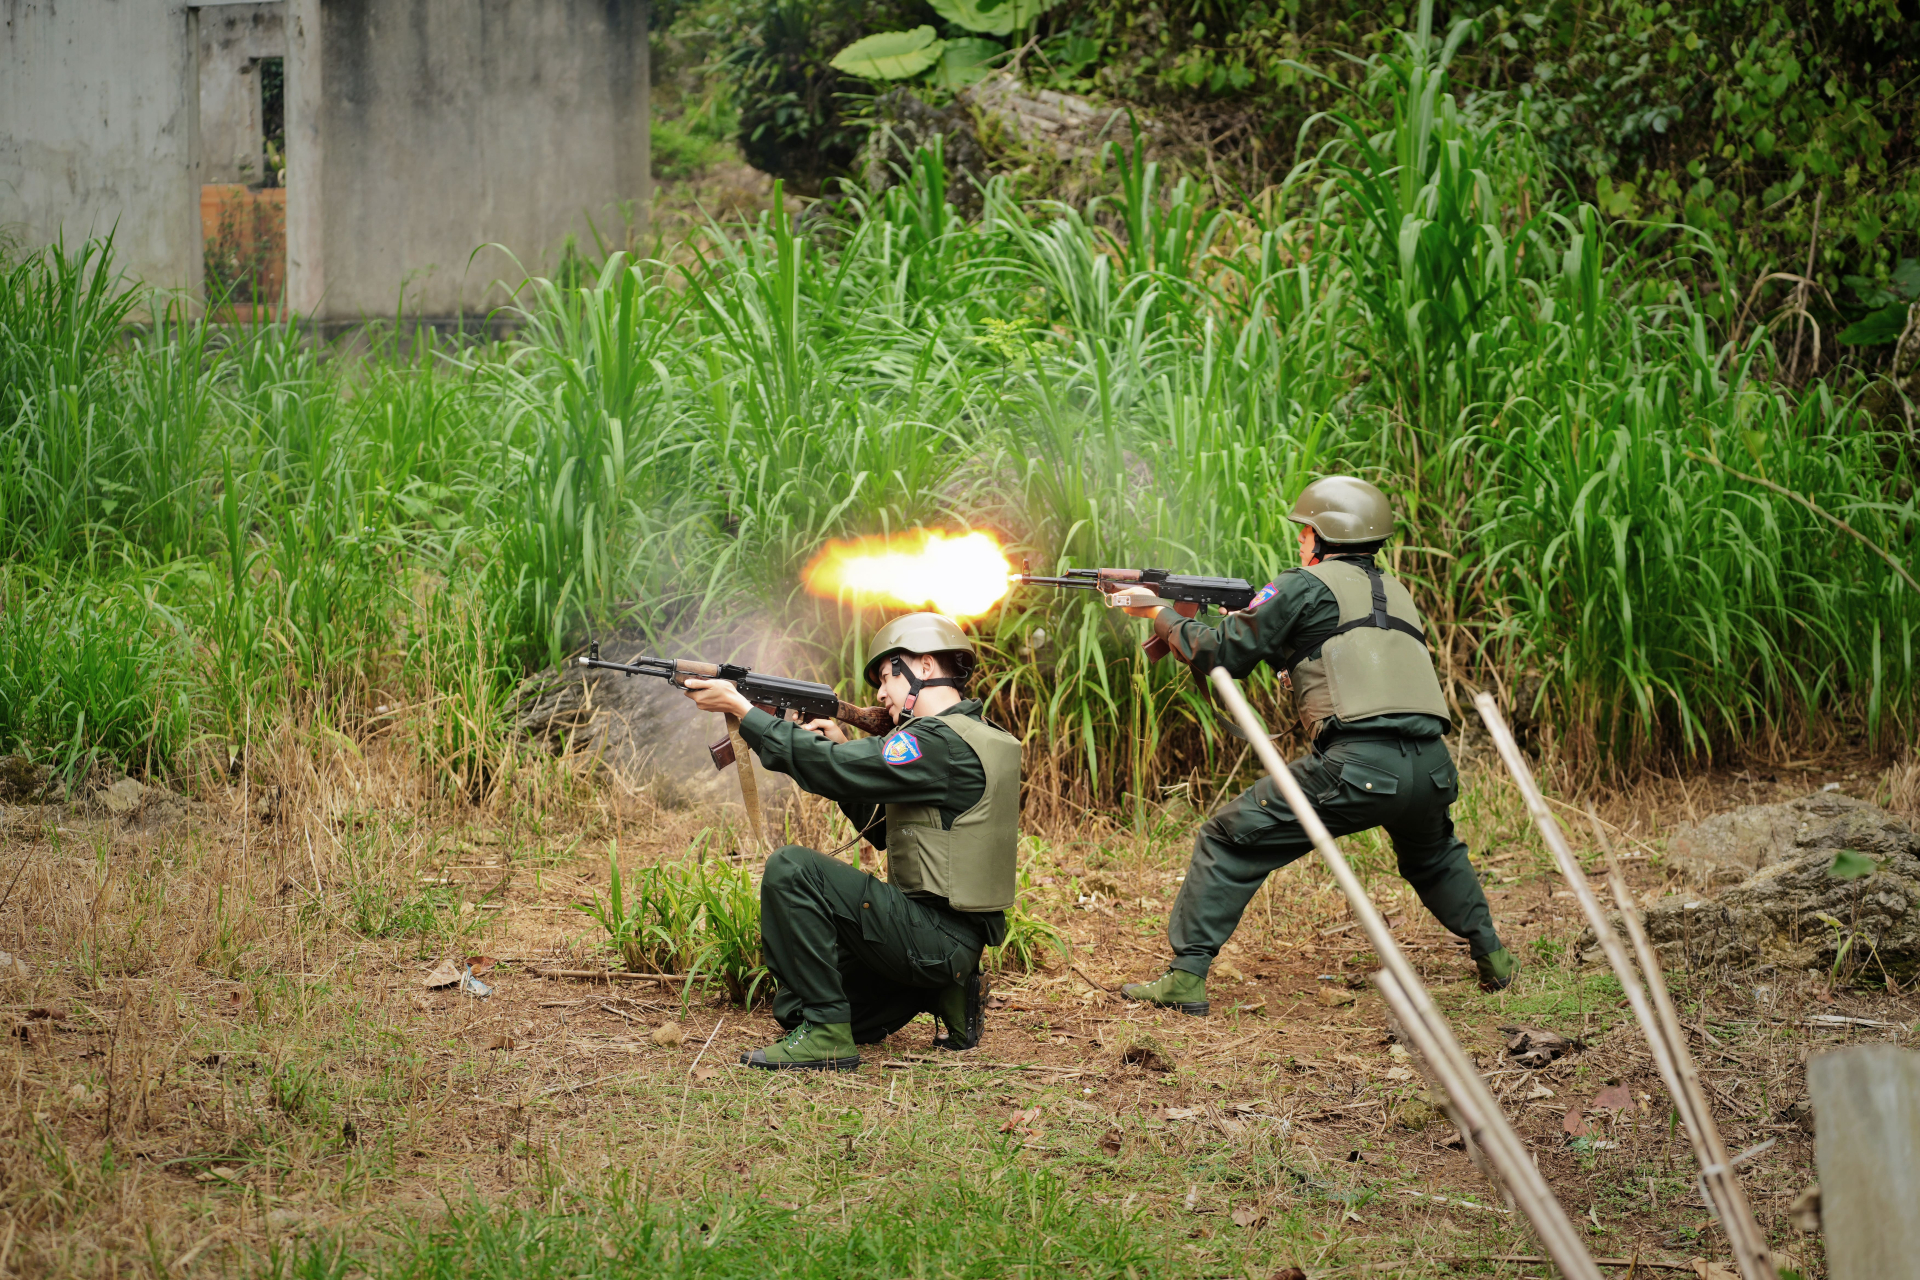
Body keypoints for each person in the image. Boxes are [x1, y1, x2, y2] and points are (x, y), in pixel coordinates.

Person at [1116, 475, 1516, 1015]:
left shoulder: (1304, 585)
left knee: (1227, 839)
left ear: (1321, 537)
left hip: (1358, 770)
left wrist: (1156, 614)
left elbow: (1221, 656)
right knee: (1436, 856)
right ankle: (1493, 956)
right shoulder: (1396, 592)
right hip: (1432, 769)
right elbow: (1332, 651)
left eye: (1304, 532)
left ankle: (1185, 979)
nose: (1300, 542)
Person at [680, 613, 1022, 1071]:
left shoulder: (936, 742)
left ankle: (828, 1037)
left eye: (886, 677)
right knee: (792, 1007)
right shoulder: (981, 737)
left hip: (935, 936)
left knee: (792, 868)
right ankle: (943, 988)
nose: (881, 694)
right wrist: (839, 742)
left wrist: (744, 711)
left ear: (923, 667)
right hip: (943, 939)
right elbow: (885, 829)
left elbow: (834, 769)